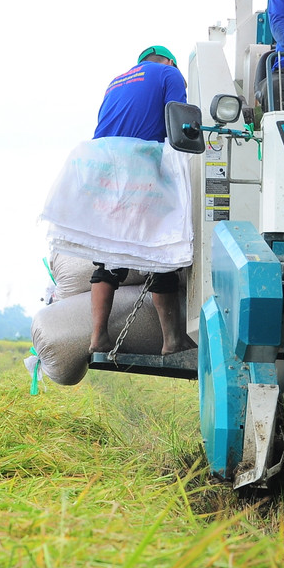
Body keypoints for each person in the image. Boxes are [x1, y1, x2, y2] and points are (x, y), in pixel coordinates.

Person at [86, 44, 196, 356]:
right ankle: (172, 340)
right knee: (159, 253)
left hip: (103, 169)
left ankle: (98, 338)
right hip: (140, 167)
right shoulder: (169, 73)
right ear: (171, 61)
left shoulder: (117, 81)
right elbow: (182, 124)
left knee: (108, 258)